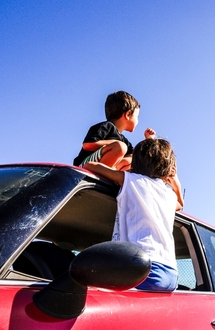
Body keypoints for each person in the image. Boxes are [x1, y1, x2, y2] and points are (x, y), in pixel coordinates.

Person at [83, 138, 184, 291]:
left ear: (136, 163)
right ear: (170, 169)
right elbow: (180, 205)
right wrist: (175, 182)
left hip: (142, 267)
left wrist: (114, 159)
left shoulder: (131, 180)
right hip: (170, 272)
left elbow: (91, 166)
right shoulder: (169, 196)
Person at [73, 90, 155, 171]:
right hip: (85, 166)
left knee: (132, 158)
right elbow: (87, 145)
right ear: (128, 114)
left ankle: (111, 176)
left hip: (107, 168)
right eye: (137, 116)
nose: (138, 120)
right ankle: (101, 175)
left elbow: (136, 155)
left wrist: (149, 140)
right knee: (121, 147)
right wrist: (112, 143)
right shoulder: (106, 126)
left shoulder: (123, 140)